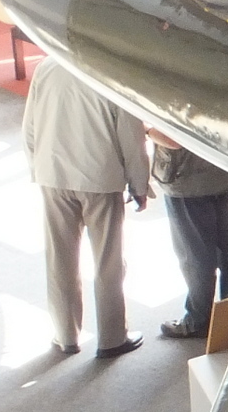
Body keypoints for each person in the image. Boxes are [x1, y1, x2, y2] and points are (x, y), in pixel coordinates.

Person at [20, 63, 150, 358]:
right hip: (99, 178)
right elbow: (131, 137)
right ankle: (112, 338)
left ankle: (66, 335)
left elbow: (29, 128)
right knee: (108, 260)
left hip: (52, 174)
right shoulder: (113, 71)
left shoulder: (47, 67)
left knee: (59, 258)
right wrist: (139, 184)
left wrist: (38, 167)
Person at [147, 128, 228, 341]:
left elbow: (173, 140)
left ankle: (198, 320)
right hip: (227, 170)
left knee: (195, 256)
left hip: (187, 179)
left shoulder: (174, 93)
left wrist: (146, 129)